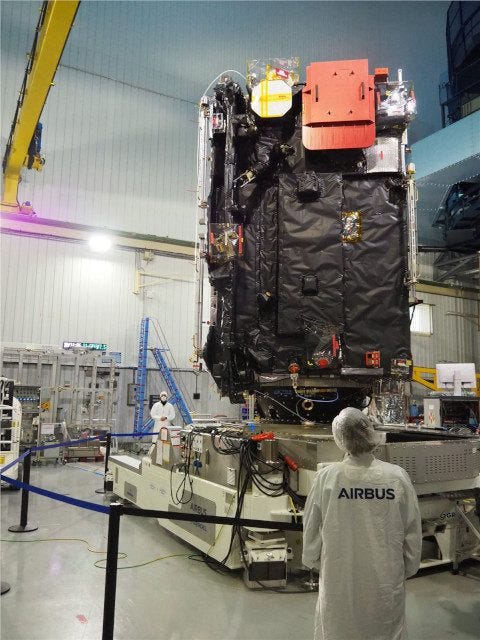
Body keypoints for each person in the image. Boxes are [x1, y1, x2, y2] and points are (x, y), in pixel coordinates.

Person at [302, 407, 422, 640]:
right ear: (370, 433)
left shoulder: (328, 477)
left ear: (340, 438)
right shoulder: (396, 476)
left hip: (339, 575)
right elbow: (412, 529)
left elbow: (311, 526)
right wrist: (407, 566)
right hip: (385, 578)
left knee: (339, 628)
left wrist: (315, 559)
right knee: (384, 629)